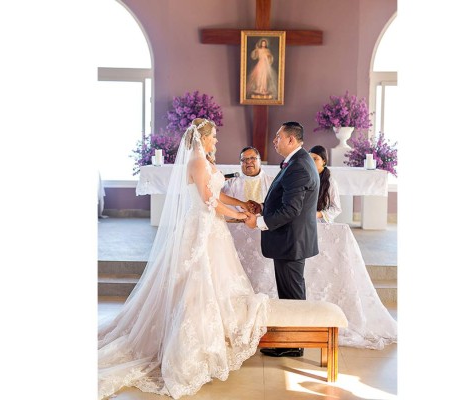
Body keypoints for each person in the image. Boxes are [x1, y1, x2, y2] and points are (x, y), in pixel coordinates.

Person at [98, 118, 269, 399]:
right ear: (202, 138)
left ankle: (212, 339)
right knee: (195, 285)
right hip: (200, 229)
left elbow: (219, 194)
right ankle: (191, 347)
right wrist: (240, 217)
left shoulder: (206, 162)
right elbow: (209, 203)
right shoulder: (198, 163)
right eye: (213, 136)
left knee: (215, 283)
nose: (216, 140)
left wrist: (242, 204)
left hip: (213, 230)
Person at [244, 121, 320, 358]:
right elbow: (285, 200)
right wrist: (264, 207)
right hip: (291, 239)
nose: (274, 140)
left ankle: (294, 344)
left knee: (292, 293)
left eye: (278, 137)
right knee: (290, 291)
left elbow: (291, 210)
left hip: (291, 240)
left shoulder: (298, 166)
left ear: (291, 140)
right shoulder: (298, 161)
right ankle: (293, 340)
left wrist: (259, 222)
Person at [308, 145, 342, 223]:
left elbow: (337, 208)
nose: (312, 162)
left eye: (315, 159)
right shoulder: (306, 178)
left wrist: (319, 214)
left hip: (322, 221)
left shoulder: (330, 182)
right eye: (310, 159)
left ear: (324, 161)